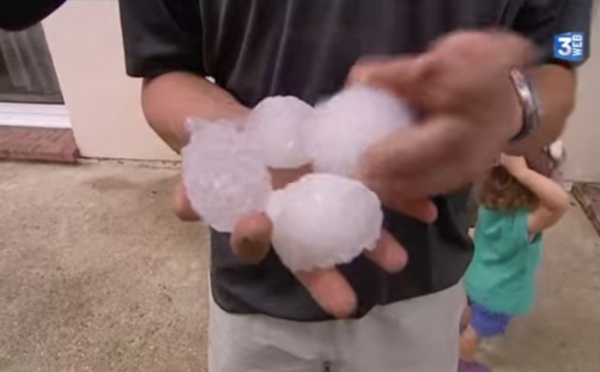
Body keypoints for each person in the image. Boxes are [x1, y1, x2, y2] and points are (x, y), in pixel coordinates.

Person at [117, 1, 592, 371]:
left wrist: (517, 104)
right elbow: (165, 67)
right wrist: (244, 142)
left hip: (426, 285)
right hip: (255, 291)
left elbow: (564, 50)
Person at [458, 152, 570, 372]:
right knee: (476, 332)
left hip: (475, 278)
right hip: (498, 293)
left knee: (468, 314)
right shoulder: (521, 226)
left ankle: (453, 341)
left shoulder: (490, 208)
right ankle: (460, 364)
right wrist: (523, 172)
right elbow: (560, 203)